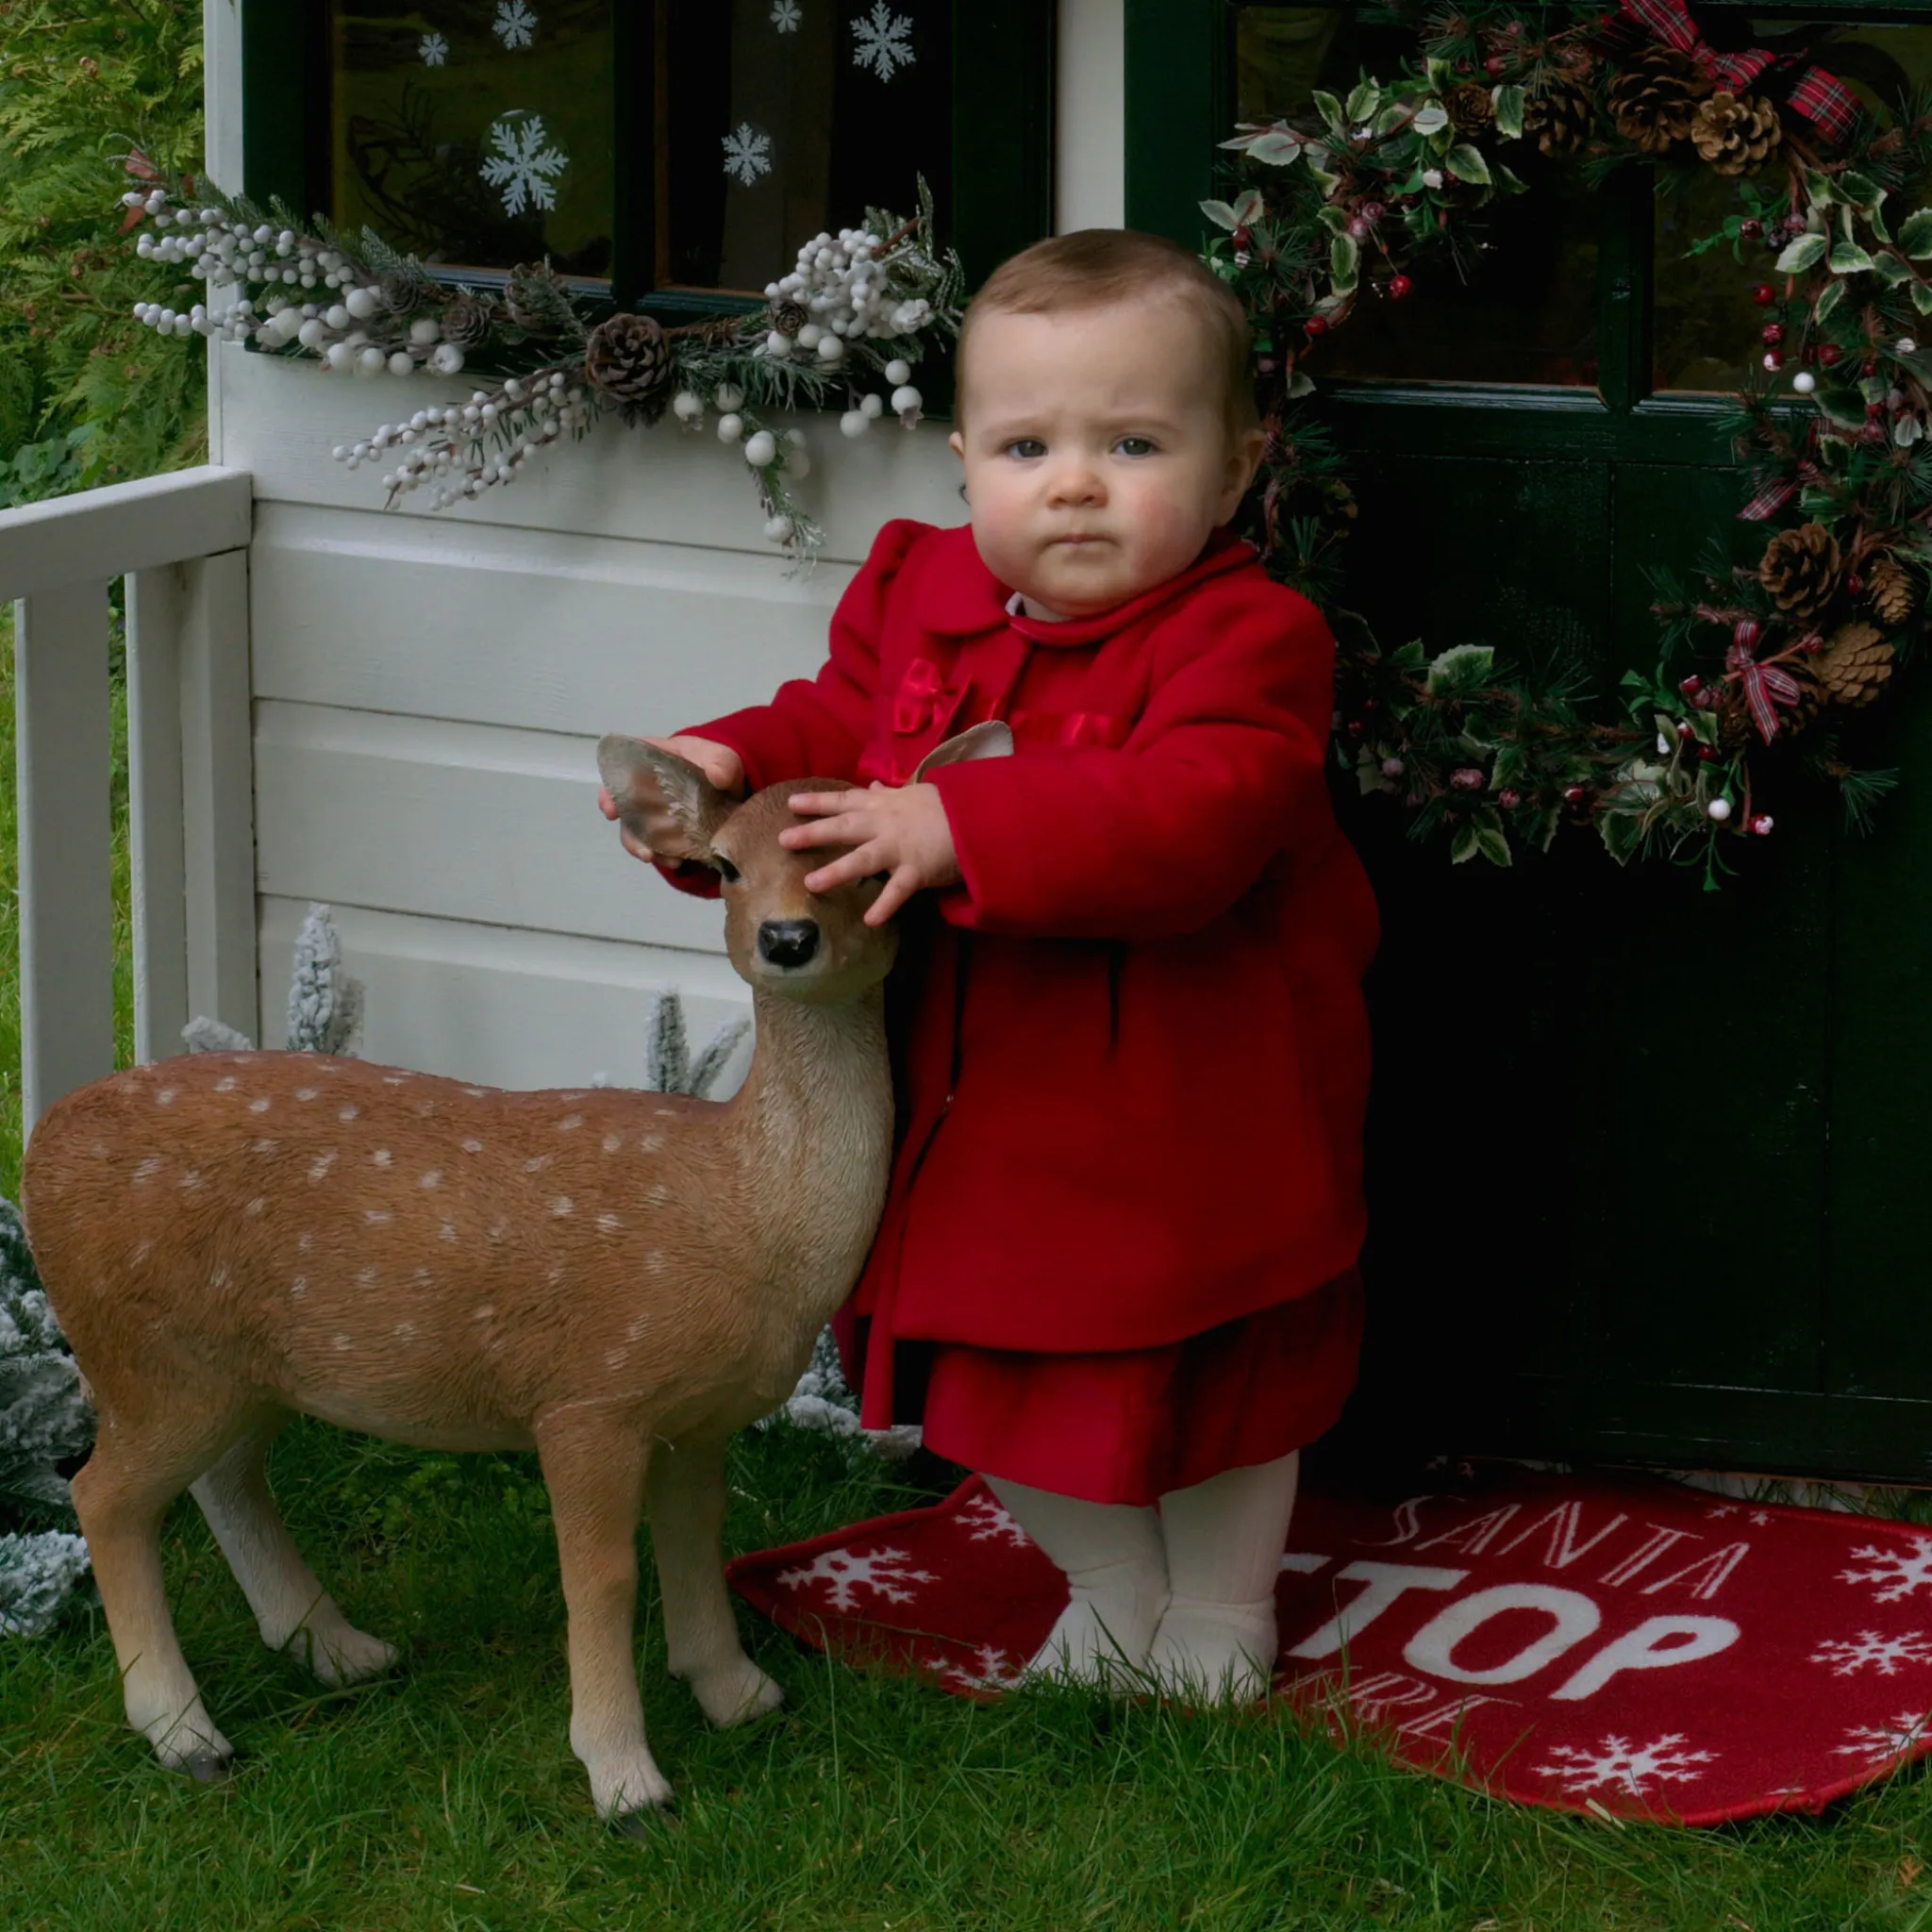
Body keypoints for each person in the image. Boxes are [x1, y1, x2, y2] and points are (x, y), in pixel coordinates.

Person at [600, 228, 1378, 1700]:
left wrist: (964, 820)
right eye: (1028, 444)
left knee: (1222, 1370)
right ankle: (1108, 1587)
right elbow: (833, 722)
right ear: (965, 458)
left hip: (1193, 1100)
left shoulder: (1248, 642)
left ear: (1235, 466)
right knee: (1000, 1360)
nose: (1074, 481)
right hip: (986, 1093)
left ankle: (1218, 1609)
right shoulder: (921, 596)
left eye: (1134, 442)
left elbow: (1196, 817)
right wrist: (736, 756)